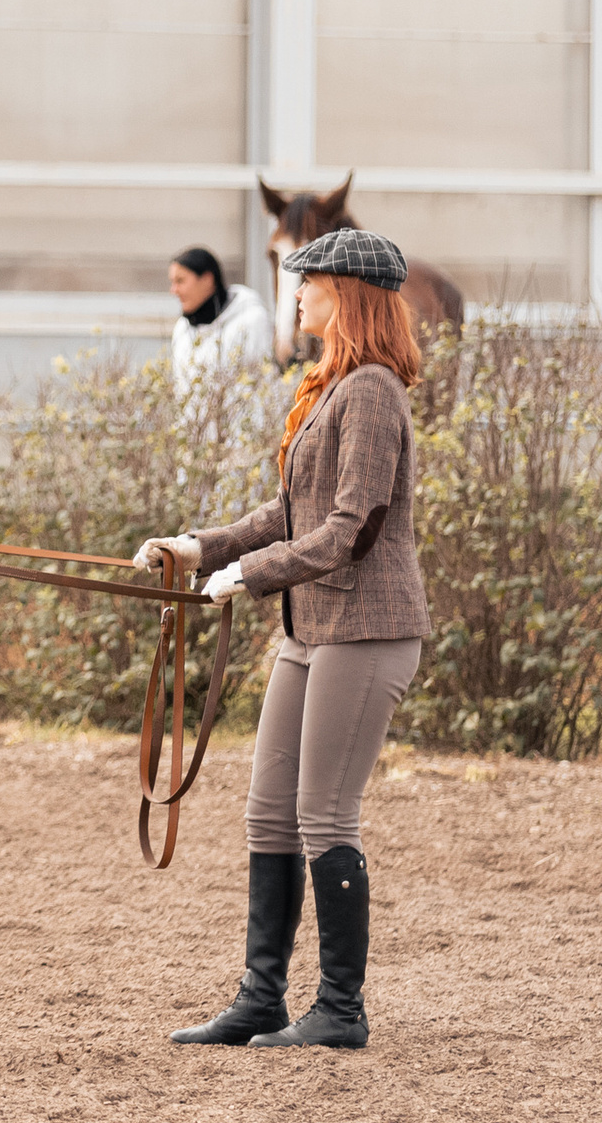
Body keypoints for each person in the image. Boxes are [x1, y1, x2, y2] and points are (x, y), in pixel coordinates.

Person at [135, 227, 429, 1052]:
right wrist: (204, 547)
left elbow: (351, 528)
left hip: (366, 628)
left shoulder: (371, 391)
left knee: (324, 811)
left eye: (309, 281)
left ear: (349, 295)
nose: (294, 293)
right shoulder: (328, 385)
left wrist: (251, 575)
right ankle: (262, 997)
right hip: (313, 627)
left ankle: (340, 1007)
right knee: (269, 810)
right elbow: (290, 512)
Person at [168, 245, 274, 394]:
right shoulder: (182, 328)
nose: (174, 290)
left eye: (180, 281)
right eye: (172, 282)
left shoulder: (251, 321)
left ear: (207, 279)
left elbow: (262, 384)